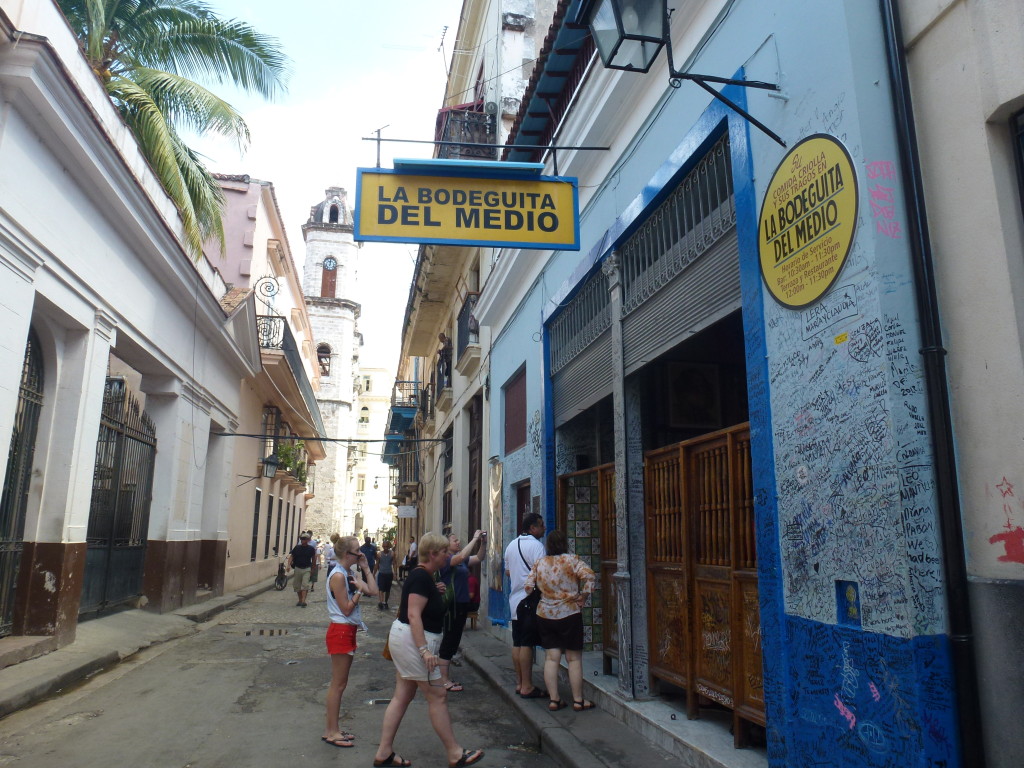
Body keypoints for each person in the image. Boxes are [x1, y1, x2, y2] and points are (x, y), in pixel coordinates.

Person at [373, 533, 484, 768]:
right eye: (444, 552)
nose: (448, 555)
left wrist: (436, 591)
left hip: (406, 640)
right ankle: (454, 753)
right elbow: (413, 614)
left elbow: (419, 607)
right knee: (438, 696)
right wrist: (424, 651)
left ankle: (384, 752)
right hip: (414, 643)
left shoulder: (425, 577)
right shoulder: (421, 577)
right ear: (433, 554)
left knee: (403, 695)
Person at [524, 529, 596, 712]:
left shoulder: (540, 563)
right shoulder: (572, 560)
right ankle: (578, 701)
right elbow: (590, 575)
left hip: (545, 615)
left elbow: (528, 587)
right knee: (573, 659)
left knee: (551, 657)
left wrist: (545, 594)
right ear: (565, 543)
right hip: (570, 613)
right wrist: (583, 596)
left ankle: (554, 700)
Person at [322, 535, 378, 748]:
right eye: (358, 552)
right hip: (340, 630)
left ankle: (331, 729)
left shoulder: (349, 572)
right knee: (338, 684)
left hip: (347, 630)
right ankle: (332, 732)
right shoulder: (338, 576)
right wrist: (359, 592)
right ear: (348, 554)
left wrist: (366, 569)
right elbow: (346, 608)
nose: (361, 554)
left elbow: (374, 590)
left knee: (340, 684)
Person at [503, 512, 546, 698]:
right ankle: (527, 686)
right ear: (532, 528)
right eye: (541, 525)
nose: (544, 528)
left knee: (517, 642)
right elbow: (542, 575)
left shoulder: (511, 545)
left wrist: (520, 577)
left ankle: (519, 683)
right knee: (527, 644)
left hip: (515, 600)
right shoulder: (537, 546)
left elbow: (507, 573)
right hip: (530, 601)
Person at [437, 530, 486, 692]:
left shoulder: (461, 561)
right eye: (455, 540)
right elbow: (460, 557)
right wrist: (474, 538)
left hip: (462, 604)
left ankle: (446, 677)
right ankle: (443, 680)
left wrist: (482, 543)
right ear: (446, 545)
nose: (458, 542)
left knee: (454, 640)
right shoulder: (447, 560)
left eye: (458, 540)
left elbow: (479, 558)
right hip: (453, 605)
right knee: (449, 641)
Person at [287, 532, 317, 607]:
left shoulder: (311, 549)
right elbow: (292, 556)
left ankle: (303, 601)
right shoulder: (297, 548)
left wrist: (313, 568)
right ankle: (300, 600)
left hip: (307, 568)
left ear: (307, 540)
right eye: (301, 539)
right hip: (297, 568)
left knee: (305, 585)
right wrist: (288, 565)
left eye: (304, 539)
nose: (302, 540)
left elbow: (314, 558)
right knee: (297, 586)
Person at [376, 539, 396, 610]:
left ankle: (385, 602)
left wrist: (395, 573)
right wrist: (374, 573)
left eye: (387, 546)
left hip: (389, 573)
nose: (385, 548)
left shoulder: (392, 554)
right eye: (384, 546)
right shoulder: (379, 554)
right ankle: (381, 602)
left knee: (387, 589)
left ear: (389, 546)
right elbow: (377, 564)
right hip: (382, 573)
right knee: (381, 588)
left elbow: (394, 564)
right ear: (382, 546)